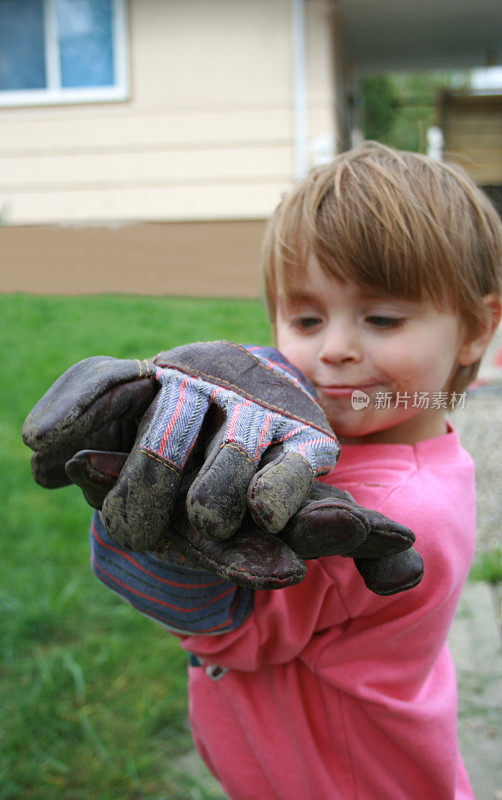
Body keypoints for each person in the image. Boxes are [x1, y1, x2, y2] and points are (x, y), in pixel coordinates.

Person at [49, 144, 502, 798]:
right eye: (306, 318)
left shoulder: (377, 514)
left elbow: (233, 634)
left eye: (381, 318)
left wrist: (164, 543)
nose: (336, 349)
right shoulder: (407, 444)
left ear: (475, 330)